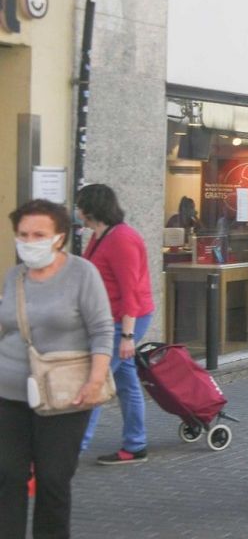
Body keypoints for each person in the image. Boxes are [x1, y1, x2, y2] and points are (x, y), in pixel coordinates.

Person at [0, 200, 115, 539]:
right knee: (7, 474)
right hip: (9, 391)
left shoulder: (83, 274)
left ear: (60, 237)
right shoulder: (14, 276)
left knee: (52, 476)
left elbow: (101, 330)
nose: (29, 242)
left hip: (67, 393)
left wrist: (95, 380)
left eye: (39, 235)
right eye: (23, 235)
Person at [75, 184, 155, 465]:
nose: (76, 212)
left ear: (90, 209)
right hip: (110, 320)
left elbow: (130, 290)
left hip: (125, 321)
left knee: (95, 381)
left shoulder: (122, 239)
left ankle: (73, 449)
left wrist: (128, 336)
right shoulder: (100, 236)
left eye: (79, 206)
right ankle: (135, 444)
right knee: (126, 382)